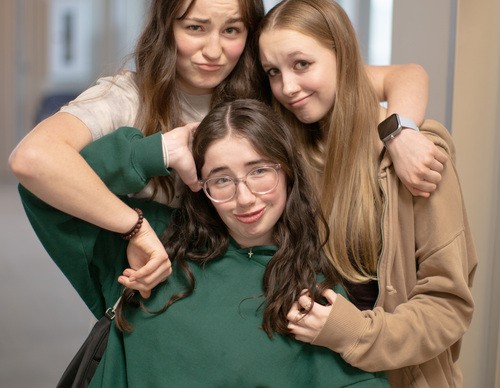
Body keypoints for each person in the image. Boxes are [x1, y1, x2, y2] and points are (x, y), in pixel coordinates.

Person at [10, 0, 443, 294]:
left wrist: (400, 133)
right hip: (183, 281)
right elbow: (33, 158)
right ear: (166, 26)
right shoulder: (127, 97)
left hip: (279, 274)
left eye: (232, 30)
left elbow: (405, 75)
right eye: (195, 28)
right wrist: (134, 226)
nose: (214, 51)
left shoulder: (270, 82)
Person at [19, 99, 389, 387]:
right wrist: (157, 155)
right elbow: (41, 186)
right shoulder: (151, 245)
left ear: (288, 171)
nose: (245, 198)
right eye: (221, 179)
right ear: (199, 183)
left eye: (260, 171)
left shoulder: (313, 287)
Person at [257, 0, 478, 387]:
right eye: (273, 72)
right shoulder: (287, 155)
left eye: (302, 64)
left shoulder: (416, 155)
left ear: (343, 56)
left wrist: (353, 332)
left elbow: (449, 306)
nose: (287, 86)